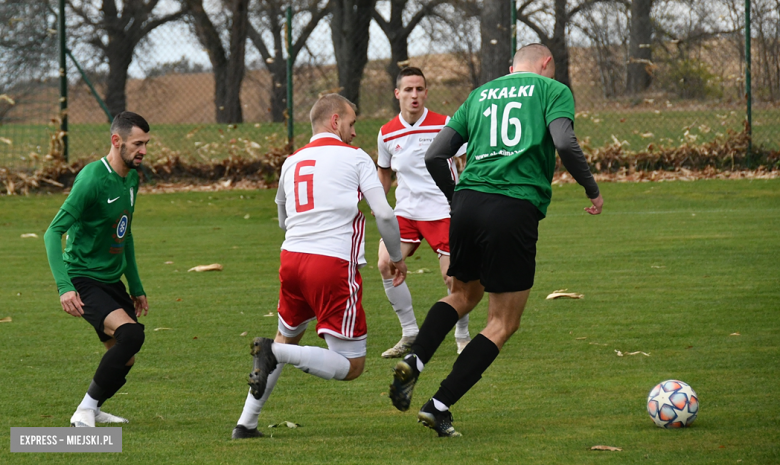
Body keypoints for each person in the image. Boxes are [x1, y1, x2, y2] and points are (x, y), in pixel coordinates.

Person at [388, 44, 604, 437]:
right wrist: (591, 188)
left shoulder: (482, 93)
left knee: (462, 295)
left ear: (510, 67)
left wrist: (460, 200)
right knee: (502, 322)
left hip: (468, 202)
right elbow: (564, 142)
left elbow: (437, 154)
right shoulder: (551, 90)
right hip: (513, 207)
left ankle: (415, 360)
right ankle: (439, 405)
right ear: (546, 64)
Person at [232, 94, 408, 439]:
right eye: (352, 123)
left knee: (289, 334)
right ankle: (274, 351)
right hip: (330, 265)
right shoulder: (355, 157)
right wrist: (397, 256)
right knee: (352, 365)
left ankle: (246, 423)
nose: (355, 132)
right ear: (334, 121)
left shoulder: (292, 161)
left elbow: (283, 218)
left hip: (291, 260)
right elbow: (384, 213)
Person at [44, 111, 151, 428]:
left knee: (124, 358)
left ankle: (92, 408)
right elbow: (53, 232)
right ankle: (84, 410)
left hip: (111, 280)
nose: (143, 150)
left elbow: (125, 232)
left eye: (146, 143)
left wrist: (136, 286)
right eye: (138, 143)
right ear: (116, 141)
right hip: (84, 278)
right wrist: (65, 287)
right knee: (131, 335)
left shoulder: (132, 177)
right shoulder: (91, 179)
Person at [376, 67, 471, 358]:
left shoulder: (446, 125)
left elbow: (466, 163)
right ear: (397, 94)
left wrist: (466, 204)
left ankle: (462, 334)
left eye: (419, 89)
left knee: (453, 277)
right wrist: (382, 208)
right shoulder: (387, 132)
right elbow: (383, 173)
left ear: (426, 92)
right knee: (384, 264)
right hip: (405, 213)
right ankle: (409, 333)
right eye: (408, 90)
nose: (414, 95)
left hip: (443, 210)